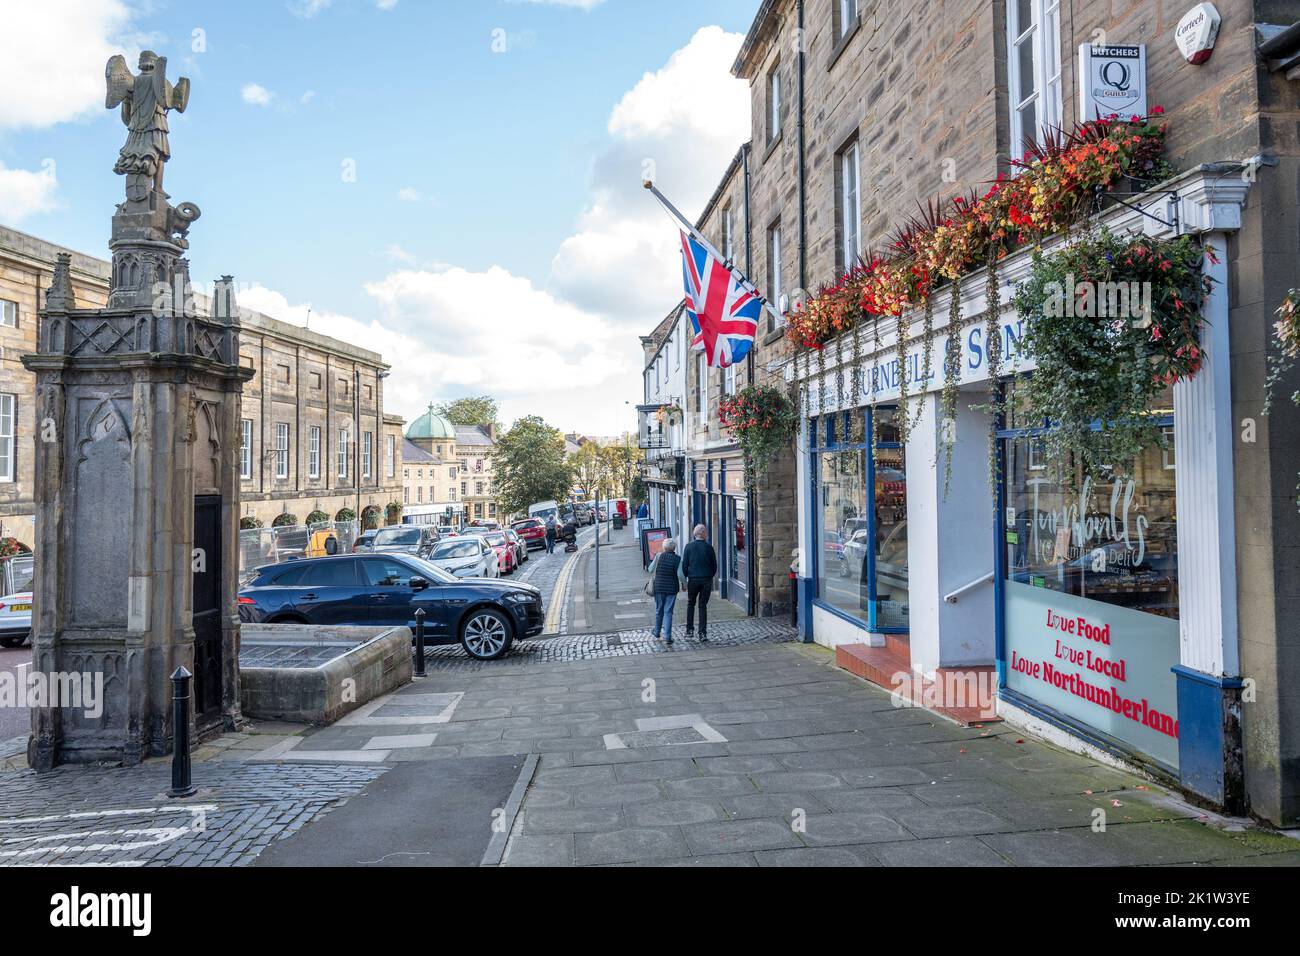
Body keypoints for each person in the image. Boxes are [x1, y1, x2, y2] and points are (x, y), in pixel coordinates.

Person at [681, 524, 718, 642]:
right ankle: (702, 633)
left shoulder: (688, 547)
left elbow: (684, 566)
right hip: (706, 580)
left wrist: (684, 581)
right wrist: (709, 576)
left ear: (695, 533)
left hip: (693, 580)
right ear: (703, 534)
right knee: (702, 606)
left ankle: (689, 630)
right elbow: (714, 566)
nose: (707, 533)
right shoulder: (709, 548)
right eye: (706, 532)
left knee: (690, 604)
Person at [647, 538, 681, 644]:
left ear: (664, 547)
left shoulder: (658, 556)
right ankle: (667, 636)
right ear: (674, 548)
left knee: (659, 610)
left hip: (659, 587)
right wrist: (685, 584)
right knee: (668, 612)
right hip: (672, 588)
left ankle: (657, 632)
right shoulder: (678, 559)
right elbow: (680, 575)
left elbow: (650, 569)